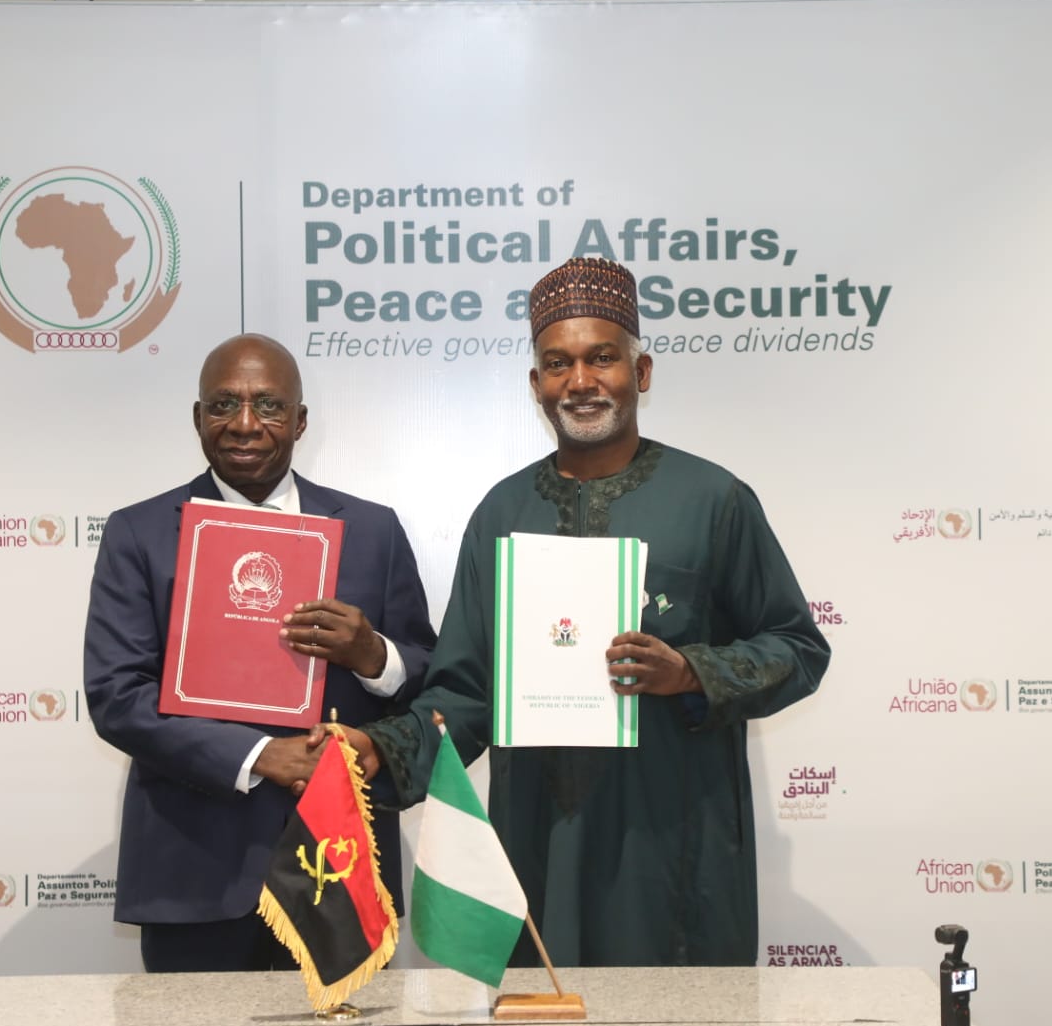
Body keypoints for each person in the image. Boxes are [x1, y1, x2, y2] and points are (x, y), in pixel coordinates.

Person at [307, 257, 830, 968]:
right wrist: (382, 747)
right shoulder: (501, 513)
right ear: (536, 385)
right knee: (544, 1010)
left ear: (641, 372)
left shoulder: (713, 500)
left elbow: (798, 649)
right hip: (537, 843)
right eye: (558, 364)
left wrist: (689, 672)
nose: (580, 381)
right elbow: (464, 694)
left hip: (674, 846)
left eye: (601, 358)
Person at [83, 333, 437, 972]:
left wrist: (372, 655)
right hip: (194, 870)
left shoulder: (373, 531)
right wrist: (260, 755)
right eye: (224, 404)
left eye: (269, 405)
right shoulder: (139, 532)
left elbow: (427, 679)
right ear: (198, 418)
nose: (245, 424)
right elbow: (117, 696)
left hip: (339, 861)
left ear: (300, 421)